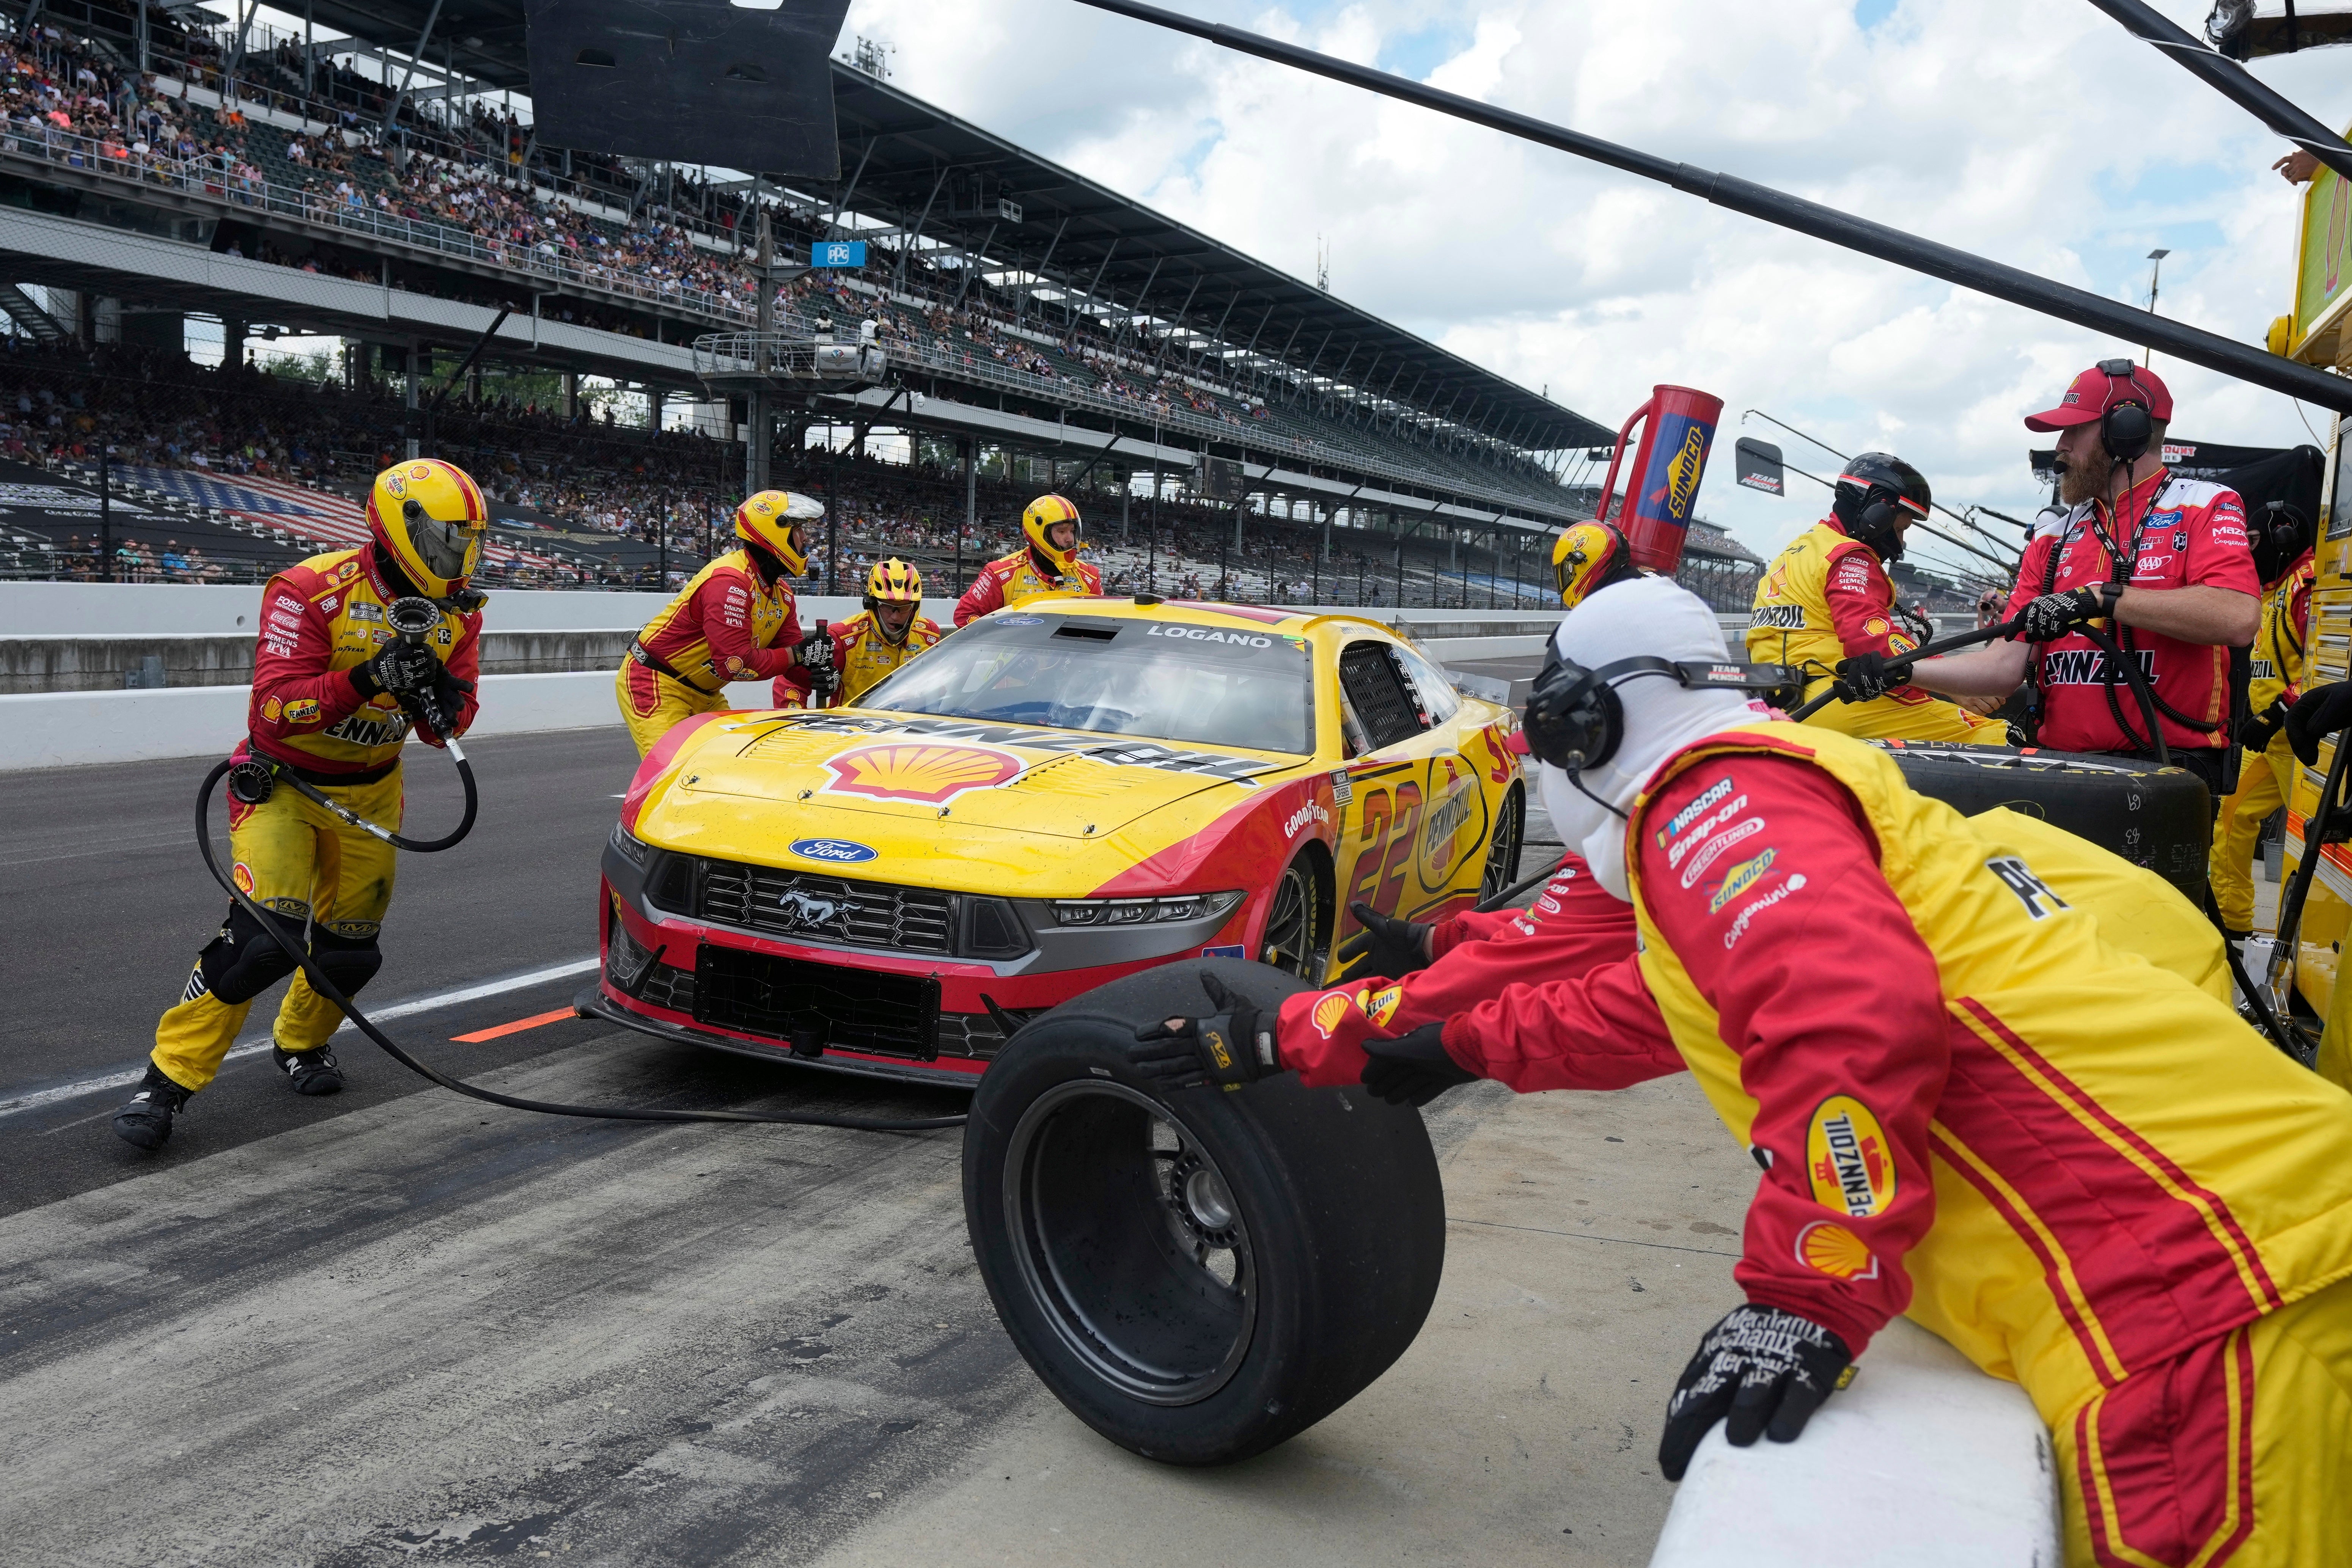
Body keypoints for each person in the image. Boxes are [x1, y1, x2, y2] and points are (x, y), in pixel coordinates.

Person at [1137, 576, 2352, 1568]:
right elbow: (1640, 1009)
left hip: (2196, 1304)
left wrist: (1810, 1285)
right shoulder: (1786, 789)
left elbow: (1839, 1012)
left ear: (1580, 726)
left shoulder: (1708, 796)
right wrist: (1439, 1040)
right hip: (2245, 1253)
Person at [114, 459, 493, 1150]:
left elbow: (453, 724)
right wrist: (367, 676)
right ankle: (166, 1080)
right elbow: (275, 706)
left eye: (469, 540)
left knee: (351, 955)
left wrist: (438, 698)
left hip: (374, 787)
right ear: (399, 528)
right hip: (283, 782)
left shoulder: (460, 611)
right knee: (261, 943)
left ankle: (300, 1042)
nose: (460, 556)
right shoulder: (308, 590)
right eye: (447, 539)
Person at [1904, 363, 2259, 796]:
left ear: (2124, 433)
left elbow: (2237, 615)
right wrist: (1903, 671)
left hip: (2167, 777)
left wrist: (2100, 598)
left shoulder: (2206, 504)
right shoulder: (2053, 533)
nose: (2060, 447)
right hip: (2061, 770)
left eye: (2074, 431)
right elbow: (2001, 668)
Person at [1747, 452, 2003, 743]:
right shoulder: (1849, 557)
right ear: (1877, 516)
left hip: (1778, 703)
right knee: (1994, 735)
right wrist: (1955, 683)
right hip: (1836, 699)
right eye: (1899, 529)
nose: (1901, 543)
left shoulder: (1799, 551)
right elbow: (1872, 640)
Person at [615, 489, 835, 756]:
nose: (805, 539)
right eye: (799, 528)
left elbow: (791, 663)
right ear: (775, 531)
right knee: (670, 775)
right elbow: (735, 663)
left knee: (730, 765)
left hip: (705, 692)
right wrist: (798, 654)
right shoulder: (730, 582)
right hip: (656, 681)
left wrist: (819, 674)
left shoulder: (783, 595)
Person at [2210, 502, 2317, 945]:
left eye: (2250, 542)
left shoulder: (2306, 586)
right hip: (2273, 741)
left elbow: (2322, 666)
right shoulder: (2269, 591)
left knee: (2314, 844)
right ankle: (2232, 926)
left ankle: (2304, 944)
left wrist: (2278, 712)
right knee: (2231, 818)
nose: (2244, 551)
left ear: (2281, 536)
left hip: (2304, 742)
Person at [775, 556, 941, 711]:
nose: (895, 616)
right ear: (871, 603)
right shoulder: (843, 637)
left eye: (904, 608)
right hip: (853, 734)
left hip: (911, 733)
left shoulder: (929, 635)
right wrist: (798, 721)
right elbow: (789, 682)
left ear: (915, 607)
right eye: (886, 606)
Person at [953, 493, 1102, 626]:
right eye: (1062, 531)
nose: (1070, 539)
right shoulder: (1001, 574)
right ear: (1039, 534)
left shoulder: (1090, 576)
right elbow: (965, 615)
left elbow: (1104, 623)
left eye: (1072, 531)